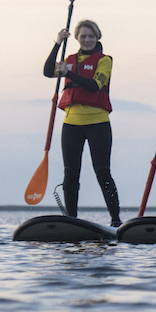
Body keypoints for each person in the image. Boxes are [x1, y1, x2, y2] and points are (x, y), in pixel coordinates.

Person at [43, 19, 120, 225]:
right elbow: (47, 71)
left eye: (91, 36)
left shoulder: (105, 60)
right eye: (83, 36)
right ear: (77, 38)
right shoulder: (69, 60)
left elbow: (95, 86)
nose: (87, 40)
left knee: (102, 171)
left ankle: (115, 219)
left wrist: (69, 73)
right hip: (72, 124)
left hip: (98, 123)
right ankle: (71, 220)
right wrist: (58, 42)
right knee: (70, 173)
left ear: (97, 37)